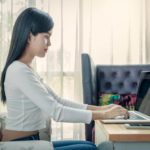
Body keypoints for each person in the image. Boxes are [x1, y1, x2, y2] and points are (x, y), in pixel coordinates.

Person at [0, 7, 128, 150]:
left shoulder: (26, 69)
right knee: (90, 149)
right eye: (46, 37)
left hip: (30, 141)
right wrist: (104, 114)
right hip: (20, 145)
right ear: (30, 37)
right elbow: (56, 111)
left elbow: (58, 101)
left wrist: (102, 108)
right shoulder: (19, 70)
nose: (49, 44)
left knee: (89, 145)